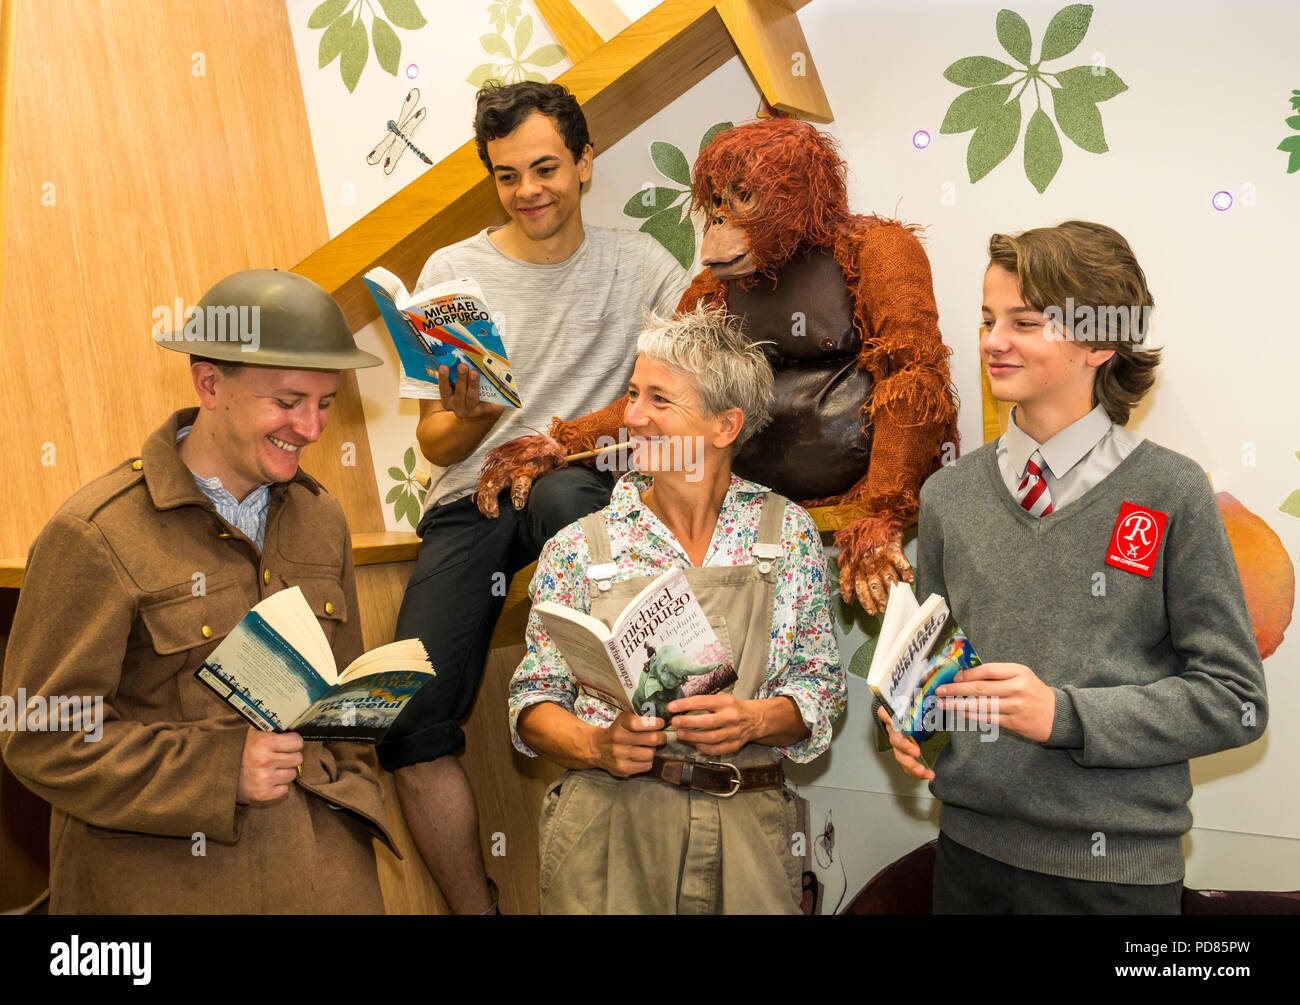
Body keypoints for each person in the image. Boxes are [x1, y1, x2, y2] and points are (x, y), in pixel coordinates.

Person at [878, 221, 1269, 914]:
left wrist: (1064, 713)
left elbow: (1234, 699)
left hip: (1115, 881)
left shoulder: (1171, 492)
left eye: (1024, 322)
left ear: (1099, 341)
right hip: (968, 864)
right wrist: (910, 709)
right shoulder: (947, 496)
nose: (993, 341)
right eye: (988, 319)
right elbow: (941, 662)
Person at [380, 81, 688, 914]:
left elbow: (693, 392)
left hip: (572, 483)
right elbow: (433, 443)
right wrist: (468, 414)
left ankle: (653, 702)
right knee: (408, 721)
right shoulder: (453, 271)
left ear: (587, 165)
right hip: (467, 499)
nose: (528, 191)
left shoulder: (643, 266)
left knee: (563, 499)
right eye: (507, 175)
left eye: (546, 167)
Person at [1, 269, 397, 913]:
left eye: (325, 403)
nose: (312, 428)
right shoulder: (95, 532)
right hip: (168, 891)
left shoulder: (323, 518)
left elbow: (344, 716)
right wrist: (217, 771)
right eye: (288, 401)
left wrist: (353, 787)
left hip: (325, 882)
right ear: (210, 383)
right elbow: (39, 734)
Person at [510, 306, 845, 914]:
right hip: (611, 832)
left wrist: (753, 719)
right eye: (633, 394)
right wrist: (595, 746)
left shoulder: (787, 532)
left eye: (659, 400)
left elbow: (819, 688)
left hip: (751, 832)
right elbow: (532, 703)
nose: (632, 417)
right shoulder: (580, 548)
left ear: (725, 426)